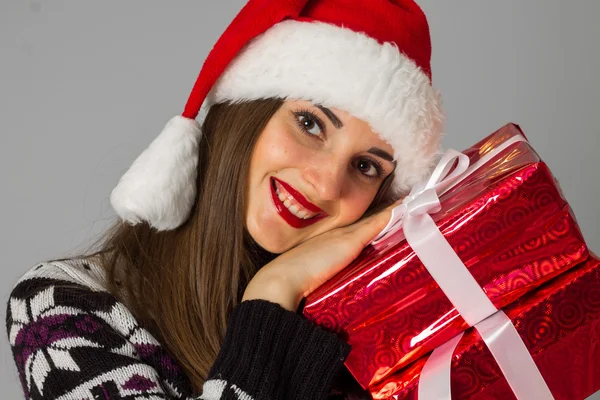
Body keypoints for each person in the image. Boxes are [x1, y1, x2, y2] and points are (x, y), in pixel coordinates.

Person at [5, 0, 444, 399]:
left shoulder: (373, 338)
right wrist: (272, 299)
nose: (328, 185)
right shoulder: (61, 309)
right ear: (242, 113)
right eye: (309, 124)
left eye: (366, 166)